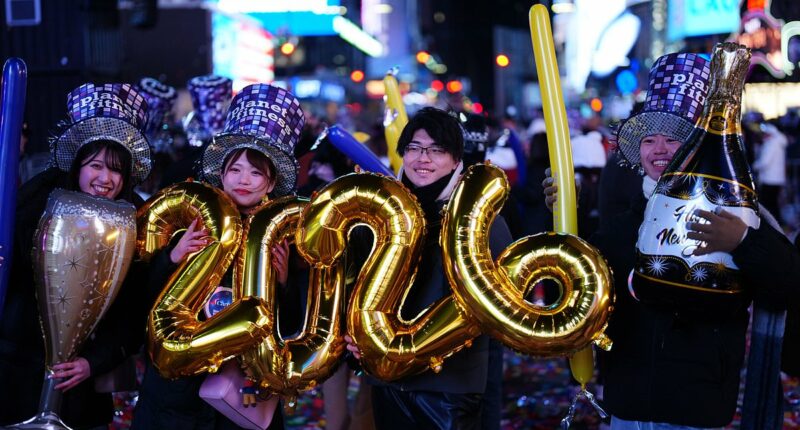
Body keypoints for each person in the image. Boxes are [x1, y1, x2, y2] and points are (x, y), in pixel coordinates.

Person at [545, 52, 800, 429]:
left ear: (699, 147)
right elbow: (574, 294)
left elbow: (787, 286)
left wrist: (743, 241)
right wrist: (565, 214)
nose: (659, 149)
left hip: (698, 408)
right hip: (627, 406)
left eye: (673, 137)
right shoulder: (620, 225)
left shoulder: (739, 214)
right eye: (650, 139)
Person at [131, 83, 306, 430]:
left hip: (243, 392)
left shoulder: (284, 235)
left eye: (256, 172)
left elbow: (291, 327)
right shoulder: (191, 219)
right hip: (179, 394)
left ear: (271, 183)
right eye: (235, 169)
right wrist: (174, 257)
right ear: (221, 173)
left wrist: (285, 283)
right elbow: (143, 300)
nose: (243, 180)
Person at [345, 107, 513, 430]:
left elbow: (499, 306)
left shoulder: (479, 220)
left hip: (450, 388)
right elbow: (355, 282)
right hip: (389, 383)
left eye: (437, 150)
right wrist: (352, 337)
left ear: (456, 160)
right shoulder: (381, 214)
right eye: (415, 148)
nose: (424, 158)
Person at [0, 83, 153, 429]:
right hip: (19, 369)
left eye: (115, 169)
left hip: (80, 384)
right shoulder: (37, 200)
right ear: (78, 165)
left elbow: (135, 311)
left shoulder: (135, 220)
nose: (104, 178)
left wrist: (93, 362)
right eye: (95, 165)